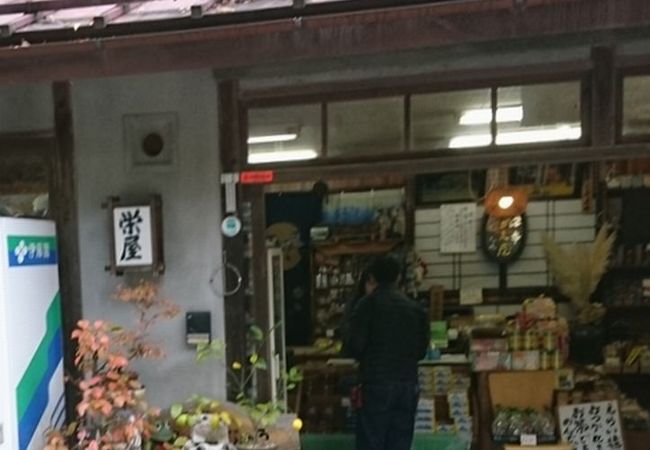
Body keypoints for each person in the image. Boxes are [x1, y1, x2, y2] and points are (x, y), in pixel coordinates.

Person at [346, 256, 429, 450]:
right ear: (399, 277)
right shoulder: (415, 309)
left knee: (371, 441)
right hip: (407, 383)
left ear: (373, 277)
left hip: (376, 382)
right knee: (400, 442)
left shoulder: (366, 305)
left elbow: (355, 347)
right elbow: (421, 351)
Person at [340, 269, 378, 356]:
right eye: (371, 283)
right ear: (363, 284)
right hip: (353, 355)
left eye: (376, 284)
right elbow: (346, 329)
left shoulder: (382, 304)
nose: (374, 288)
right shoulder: (355, 303)